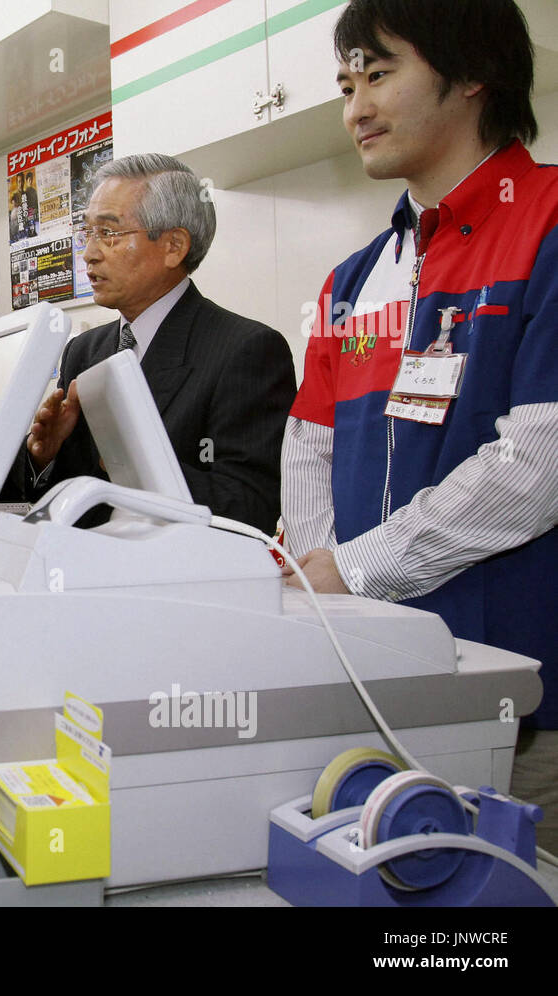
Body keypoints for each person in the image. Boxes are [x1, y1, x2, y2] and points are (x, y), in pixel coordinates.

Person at [281, 0, 556, 849]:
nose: (354, 107)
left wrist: (356, 573)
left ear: (471, 72)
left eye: (379, 73)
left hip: (520, 700)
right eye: (344, 82)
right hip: (377, 689)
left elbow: (538, 465)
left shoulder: (546, 223)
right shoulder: (355, 280)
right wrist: (334, 602)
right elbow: (310, 448)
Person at [5, 154, 296, 534]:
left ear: (174, 246)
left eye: (109, 233)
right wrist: (44, 456)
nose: (90, 252)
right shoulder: (85, 350)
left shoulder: (247, 350)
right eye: (87, 233)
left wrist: (133, 460)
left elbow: (250, 507)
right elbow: (71, 496)